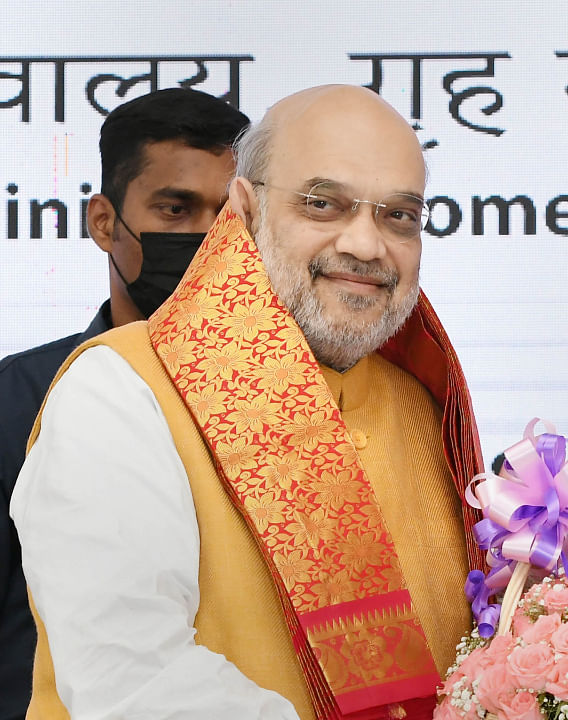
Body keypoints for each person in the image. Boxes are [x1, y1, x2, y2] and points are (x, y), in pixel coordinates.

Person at [11, 85, 485, 719]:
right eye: (323, 204)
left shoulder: (425, 405)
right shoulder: (121, 391)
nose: (368, 246)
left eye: (398, 215)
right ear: (243, 210)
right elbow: (131, 682)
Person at [0, 88, 247, 720]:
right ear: (104, 222)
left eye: (229, 215)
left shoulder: (284, 406)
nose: (209, 238)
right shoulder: (14, 399)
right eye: (175, 208)